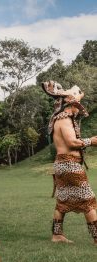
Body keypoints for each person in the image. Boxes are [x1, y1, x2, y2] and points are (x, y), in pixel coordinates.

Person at [42, 80, 97, 244]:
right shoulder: (64, 119)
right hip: (69, 165)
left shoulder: (62, 118)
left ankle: (57, 235)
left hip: (63, 165)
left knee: (63, 201)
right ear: (70, 104)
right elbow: (72, 143)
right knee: (88, 199)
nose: (78, 110)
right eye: (76, 106)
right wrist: (91, 141)